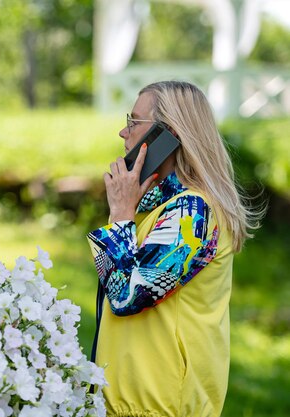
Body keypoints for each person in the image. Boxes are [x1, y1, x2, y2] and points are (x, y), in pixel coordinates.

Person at [87, 80, 260, 417]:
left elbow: (127, 296)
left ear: (168, 135)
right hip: (131, 404)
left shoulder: (192, 213)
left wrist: (121, 216)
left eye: (134, 121)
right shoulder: (159, 209)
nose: (123, 133)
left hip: (160, 406)